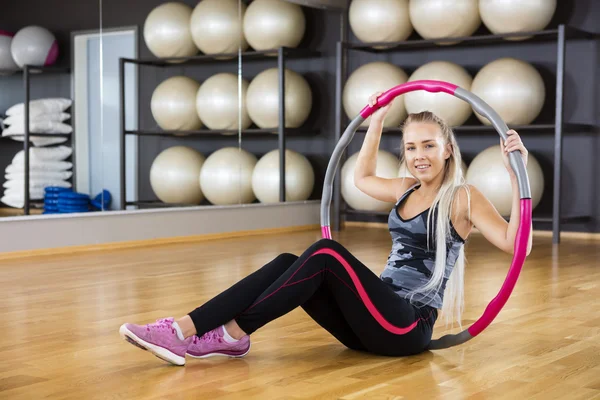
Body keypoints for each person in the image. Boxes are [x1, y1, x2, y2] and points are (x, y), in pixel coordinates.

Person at [119, 92, 532, 366]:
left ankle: (201, 332)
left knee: (327, 253)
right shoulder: (406, 188)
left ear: (447, 149)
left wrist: (518, 177)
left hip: (407, 326)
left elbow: (518, 247)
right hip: (368, 322)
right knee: (287, 261)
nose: (419, 155)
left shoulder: (463, 197)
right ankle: (210, 331)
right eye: (410, 147)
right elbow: (363, 177)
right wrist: (377, 118)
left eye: (428, 145)